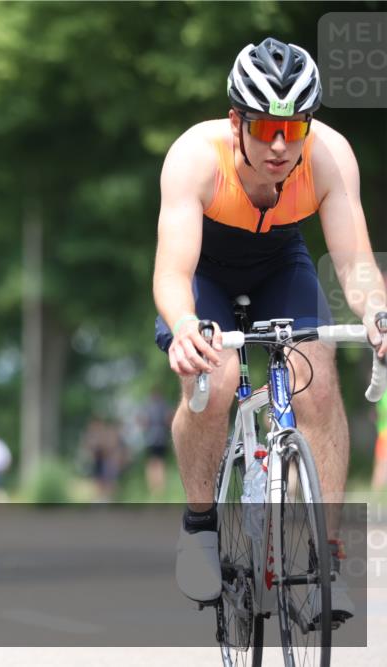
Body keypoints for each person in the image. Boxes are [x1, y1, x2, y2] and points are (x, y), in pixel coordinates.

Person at [152, 38, 387, 620]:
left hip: (281, 259)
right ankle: (200, 525)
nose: (280, 145)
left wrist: (378, 313)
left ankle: (323, 557)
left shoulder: (329, 155)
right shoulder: (193, 157)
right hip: (206, 265)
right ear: (236, 121)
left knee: (319, 381)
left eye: (293, 127)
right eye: (263, 128)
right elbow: (171, 272)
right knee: (219, 374)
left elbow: (357, 266)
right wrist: (185, 326)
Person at [141, 391, 173, 499]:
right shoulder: (164, 406)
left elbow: (143, 422)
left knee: (154, 464)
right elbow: (169, 420)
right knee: (159, 463)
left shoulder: (147, 407)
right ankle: (159, 489)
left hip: (152, 439)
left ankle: (155, 489)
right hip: (161, 438)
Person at [373, 393, 387, 492]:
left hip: (382, 435)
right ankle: (376, 493)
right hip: (384, 436)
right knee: (382, 467)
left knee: (381, 466)